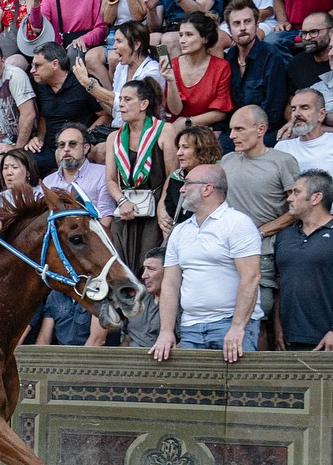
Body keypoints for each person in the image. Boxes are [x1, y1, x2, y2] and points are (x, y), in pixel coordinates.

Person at [151, 165, 263, 362]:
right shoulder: (180, 230)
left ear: (207, 188)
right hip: (190, 326)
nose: (181, 189)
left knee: (237, 391)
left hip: (229, 325)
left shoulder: (237, 223)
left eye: (187, 184)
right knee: (193, 393)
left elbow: (251, 277)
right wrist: (166, 331)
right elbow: (169, 284)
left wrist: (237, 327)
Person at [222, 105, 300, 320]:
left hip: (263, 250)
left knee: (259, 310)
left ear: (261, 129)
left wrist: (262, 231)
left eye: (239, 129)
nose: (232, 136)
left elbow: (298, 208)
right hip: (226, 249)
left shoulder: (283, 161)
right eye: (231, 129)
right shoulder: (227, 160)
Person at [107, 78, 178, 269]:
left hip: (155, 207)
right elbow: (111, 180)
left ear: (144, 104)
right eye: (120, 99)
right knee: (119, 264)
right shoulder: (114, 137)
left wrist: (162, 204)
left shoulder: (165, 130)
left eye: (128, 99)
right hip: (126, 209)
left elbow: (173, 173)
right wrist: (122, 201)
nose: (121, 104)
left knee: (149, 264)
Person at [273, 169, 333, 350]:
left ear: (316, 198)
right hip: (290, 339)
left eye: (296, 192)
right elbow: (280, 283)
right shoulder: (284, 236)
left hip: (327, 340)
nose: (289, 198)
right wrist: (277, 327)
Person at [27, 43, 102, 175]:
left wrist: (85, 136)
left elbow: (105, 115)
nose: (32, 70)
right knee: (21, 161)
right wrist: (38, 138)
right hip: (50, 148)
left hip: (76, 147)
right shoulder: (41, 86)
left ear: (55, 64)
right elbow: (44, 116)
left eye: (37, 65)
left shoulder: (83, 82)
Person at [224, 0, 288, 144]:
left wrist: (248, 132)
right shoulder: (229, 59)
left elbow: (274, 108)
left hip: (263, 131)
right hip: (233, 132)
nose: (242, 28)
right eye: (236, 24)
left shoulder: (271, 57)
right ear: (229, 29)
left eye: (247, 22)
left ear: (257, 23)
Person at [123, 246, 166, 350]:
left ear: (168, 271)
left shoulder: (179, 303)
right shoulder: (139, 297)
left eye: (151, 269)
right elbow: (127, 338)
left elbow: (183, 341)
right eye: (144, 269)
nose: (144, 275)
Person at [282, 89, 333, 174]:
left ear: (321, 114)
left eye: (304, 108)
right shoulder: (283, 147)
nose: (297, 113)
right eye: (293, 109)